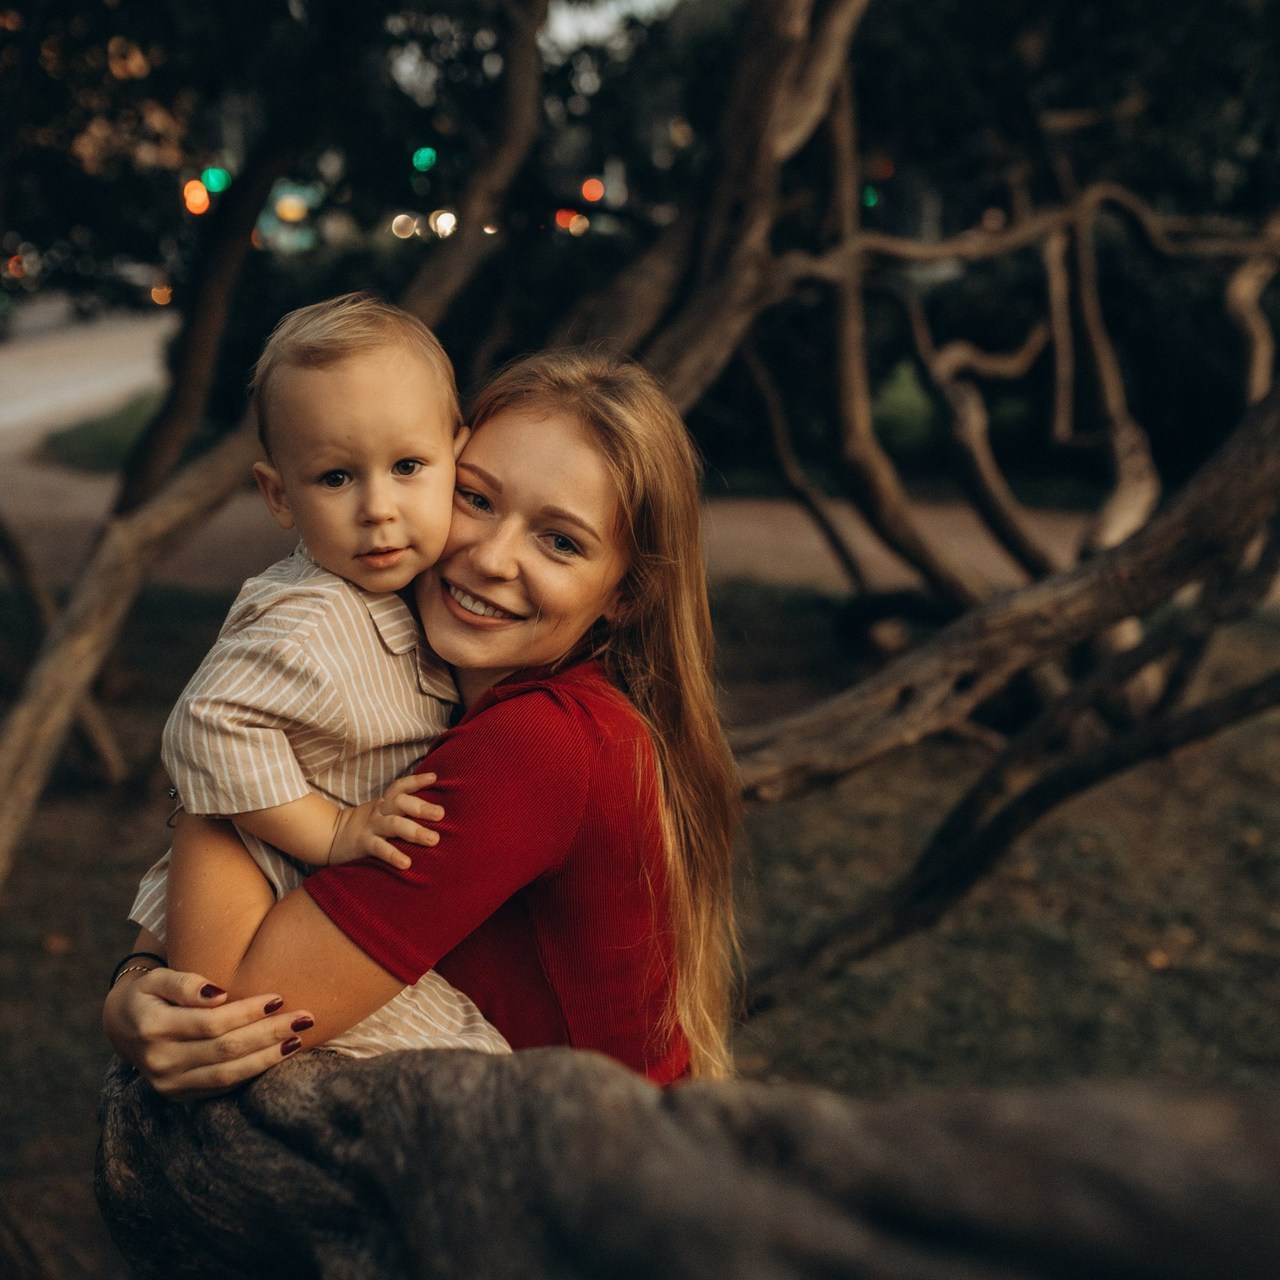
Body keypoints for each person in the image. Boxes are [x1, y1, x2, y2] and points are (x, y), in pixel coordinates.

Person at [103, 348, 740, 1091]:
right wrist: (134, 983)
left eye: (560, 541)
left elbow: (240, 1009)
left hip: (580, 1182)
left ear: (623, 595)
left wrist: (222, 737)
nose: (492, 557)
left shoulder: (541, 743)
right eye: (475, 498)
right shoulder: (405, 666)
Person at [126, 290, 509, 1059]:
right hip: (281, 893)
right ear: (279, 495)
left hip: (312, 903)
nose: (378, 507)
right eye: (336, 478)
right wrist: (328, 828)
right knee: (470, 1057)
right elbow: (204, 724)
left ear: (456, 457)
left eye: (408, 466)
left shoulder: (405, 597)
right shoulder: (313, 619)